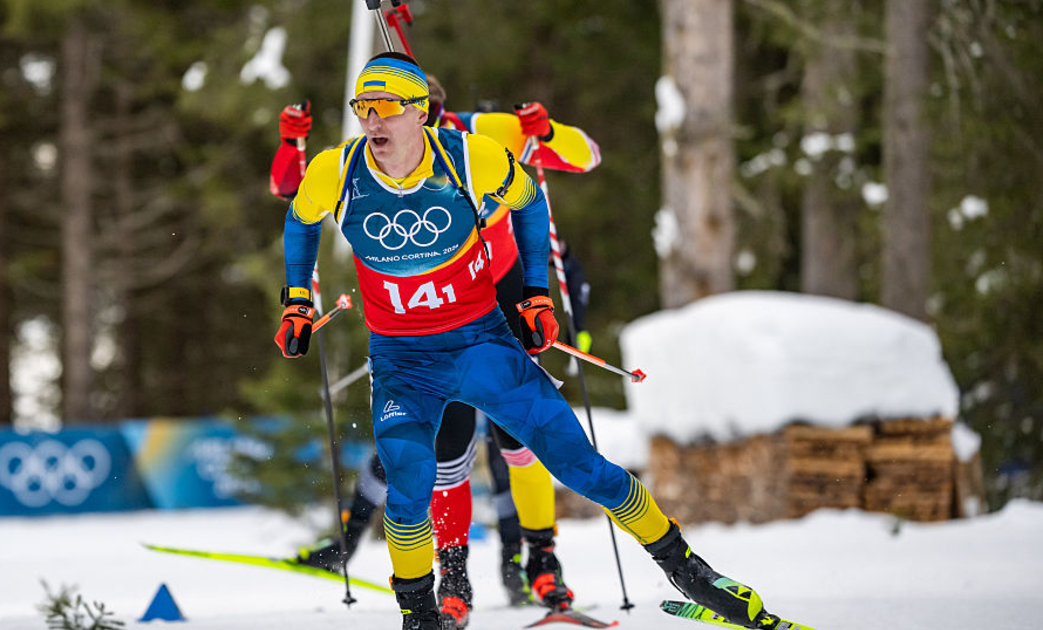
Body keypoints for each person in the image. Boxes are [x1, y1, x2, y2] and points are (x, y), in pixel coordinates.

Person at [275, 52, 781, 630]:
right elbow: (300, 217)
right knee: (410, 484)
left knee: (579, 466)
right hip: (402, 359)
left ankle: (690, 571)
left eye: (385, 108)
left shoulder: (472, 155)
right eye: (362, 109)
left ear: (421, 113)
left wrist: (536, 293)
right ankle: (420, 615)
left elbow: (534, 200)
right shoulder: (336, 170)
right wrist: (296, 299)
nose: (371, 121)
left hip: (481, 344)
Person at [269, 76, 599, 621]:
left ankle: (542, 559)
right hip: (427, 317)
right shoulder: (375, 156)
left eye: (432, 119)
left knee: (521, 440)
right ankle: (454, 575)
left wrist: (548, 130)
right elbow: (294, 194)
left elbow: (584, 157)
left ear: (432, 113)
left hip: (502, 293)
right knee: (450, 449)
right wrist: (289, 144)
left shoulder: (481, 138)